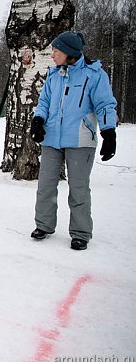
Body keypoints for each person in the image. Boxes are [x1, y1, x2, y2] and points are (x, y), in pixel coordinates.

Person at [29, 31, 117, 251]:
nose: (52, 55)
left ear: (69, 52)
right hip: (52, 138)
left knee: (78, 188)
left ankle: (80, 232)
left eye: (56, 51)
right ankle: (44, 225)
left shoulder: (94, 75)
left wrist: (109, 132)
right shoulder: (53, 75)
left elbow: (105, 104)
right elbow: (44, 102)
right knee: (45, 186)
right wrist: (38, 120)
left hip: (80, 139)